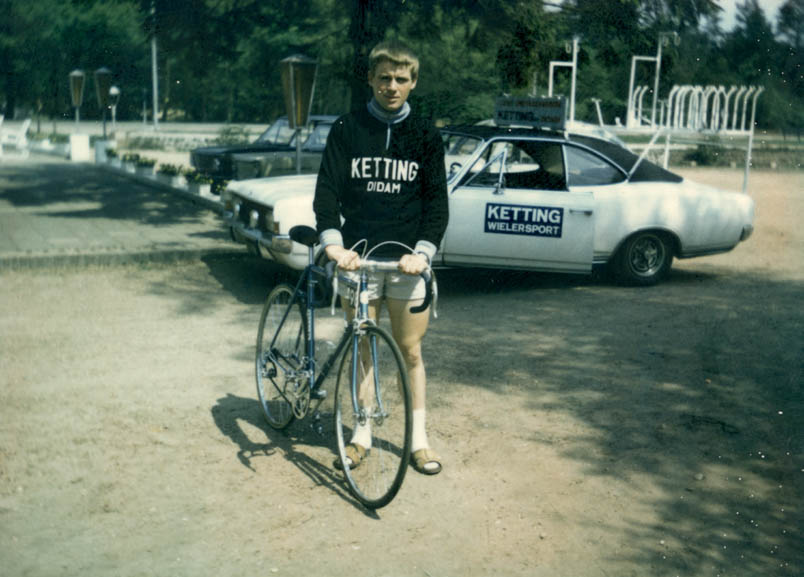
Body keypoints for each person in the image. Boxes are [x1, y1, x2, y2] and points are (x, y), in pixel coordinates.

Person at [313, 40, 449, 475]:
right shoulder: (347, 128)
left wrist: (423, 253)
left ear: (414, 82)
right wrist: (334, 245)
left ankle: (420, 441)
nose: (393, 86)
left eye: (402, 79)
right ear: (370, 79)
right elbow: (327, 193)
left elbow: (436, 204)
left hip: (405, 263)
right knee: (364, 348)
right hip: (360, 260)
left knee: (410, 351)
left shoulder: (425, 134)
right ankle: (361, 435)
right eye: (385, 78)